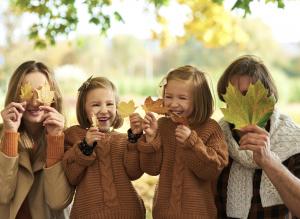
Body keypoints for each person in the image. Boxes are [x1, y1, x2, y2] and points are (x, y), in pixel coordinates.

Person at [130, 65, 228, 218]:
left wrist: (193, 143)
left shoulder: (211, 128)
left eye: (182, 98)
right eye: (168, 96)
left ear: (199, 100)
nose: (173, 103)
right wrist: (151, 138)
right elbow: (151, 168)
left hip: (199, 213)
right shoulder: (163, 125)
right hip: (164, 213)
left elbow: (213, 170)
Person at [216, 55, 300, 218]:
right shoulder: (215, 138)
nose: (241, 104)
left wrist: (269, 161)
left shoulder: (293, 140)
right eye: (232, 95)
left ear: (268, 98)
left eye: (248, 94)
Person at [62, 76, 145, 219]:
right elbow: (71, 176)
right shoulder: (73, 136)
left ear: (117, 107)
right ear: (83, 108)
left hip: (128, 212)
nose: (104, 110)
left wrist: (134, 139)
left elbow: (134, 172)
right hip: (88, 214)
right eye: (96, 105)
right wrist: (85, 146)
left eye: (109, 104)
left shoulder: (123, 140)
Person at [0, 61, 73, 219]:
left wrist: (54, 140)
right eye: (27, 92)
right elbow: (3, 194)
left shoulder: (69, 139)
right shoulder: (2, 135)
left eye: (42, 92)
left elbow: (58, 201)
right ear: (15, 95)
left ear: (53, 97)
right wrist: (10, 134)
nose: (34, 102)